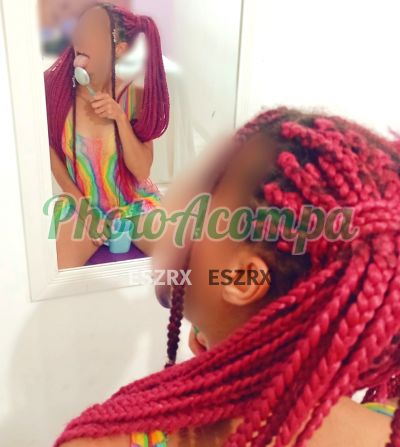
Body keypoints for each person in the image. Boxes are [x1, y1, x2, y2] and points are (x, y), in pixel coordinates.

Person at [54, 107, 400, 446]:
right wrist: (231, 337)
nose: (170, 200)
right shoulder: (386, 423)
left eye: (203, 189)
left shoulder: (103, 442)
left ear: (243, 279)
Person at [44, 2, 169, 268]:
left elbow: (142, 169)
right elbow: (49, 153)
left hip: (134, 205)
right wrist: (84, 209)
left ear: (118, 49)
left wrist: (120, 119)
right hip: (81, 206)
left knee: (180, 260)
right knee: (55, 271)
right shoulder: (55, 93)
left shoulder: (134, 96)